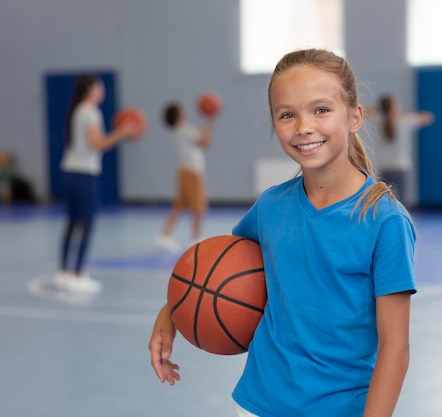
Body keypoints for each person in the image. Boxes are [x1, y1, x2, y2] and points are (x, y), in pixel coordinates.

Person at [149, 49, 417, 417]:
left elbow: (395, 347)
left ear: (355, 117)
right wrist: (171, 313)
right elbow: (216, 272)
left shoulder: (384, 220)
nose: (304, 126)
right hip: (259, 403)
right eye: (287, 114)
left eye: (321, 110)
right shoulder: (271, 206)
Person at [53, 75, 139, 294]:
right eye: (99, 87)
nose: (103, 91)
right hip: (84, 174)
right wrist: (122, 132)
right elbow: (97, 144)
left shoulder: (77, 110)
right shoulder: (91, 112)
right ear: (90, 89)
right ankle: (78, 274)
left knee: (72, 222)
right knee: (86, 224)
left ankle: (63, 272)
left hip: (69, 171)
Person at [155, 102, 216, 252]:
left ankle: (164, 235)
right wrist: (210, 120)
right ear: (178, 115)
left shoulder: (179, 130)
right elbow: (204, 142)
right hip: (192, 172)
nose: (185, 109)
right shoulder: (185, 129)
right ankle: (195, 238)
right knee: (199, 206)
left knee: (180, 204)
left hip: (183, 170)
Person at [368, 94, 434, 207]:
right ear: (394, 108)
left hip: (384, 168)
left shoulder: (378, 120)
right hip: (401, 167)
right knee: (403, 204)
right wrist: (403, 115)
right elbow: (428, 117)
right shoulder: (405, 121)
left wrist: (380, 111)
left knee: (384, 202)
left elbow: (364, 111)